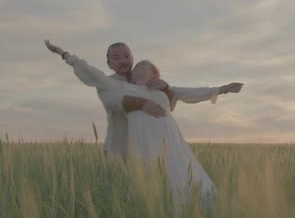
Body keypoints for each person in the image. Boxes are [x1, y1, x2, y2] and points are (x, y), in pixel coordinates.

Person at [45, 40, 243, 204]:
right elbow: (111, 101)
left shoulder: (147, 80)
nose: (123, 61)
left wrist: (167, 88)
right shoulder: (108, 83)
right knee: (136, 191)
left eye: (127, 56)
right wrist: (64, 54)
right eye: (116, 57)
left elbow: (175, 99)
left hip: (165, 143)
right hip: (124, 145)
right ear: (109, 63)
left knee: (174, 180)